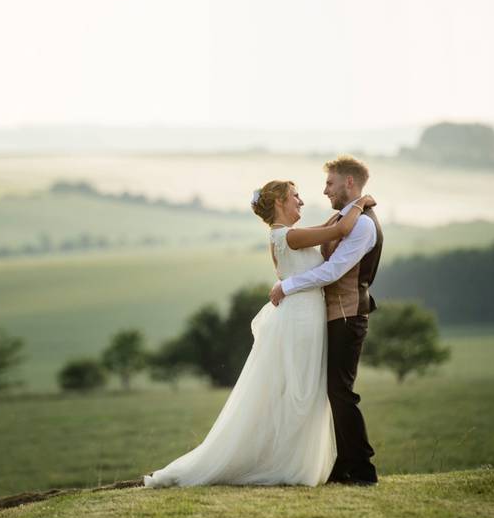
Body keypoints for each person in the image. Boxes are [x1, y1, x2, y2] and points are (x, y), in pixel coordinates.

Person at [143, 179, 375, 488]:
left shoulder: (289, 235)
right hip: (301, 319)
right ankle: (287, 464)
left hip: (306, 315)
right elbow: (339, 230)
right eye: (295, 196)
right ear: (279, 202)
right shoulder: (290, 237)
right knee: (300, 391)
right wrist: (361, 202)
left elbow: (332, 225)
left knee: (304, 390)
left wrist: (349, 209)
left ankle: (294, 461)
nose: (301, 202)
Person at [270, 155, 383, 485]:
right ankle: (344, 466)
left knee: (341, 391)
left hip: (349, 315)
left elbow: (334, 270)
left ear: (349, 182)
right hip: (334, 316)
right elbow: (328, 234)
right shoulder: (346, 216)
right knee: (334, 391)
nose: (324, 191)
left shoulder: (362, 223)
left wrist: (286, 286)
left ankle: (362, 468)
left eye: (330, 183)